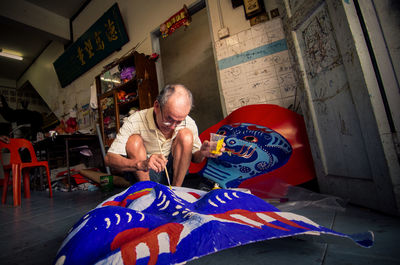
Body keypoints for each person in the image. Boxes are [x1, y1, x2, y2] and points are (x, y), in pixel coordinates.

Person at [105, 84, 223, 187]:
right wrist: (141, 164)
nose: (172, 126)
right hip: (145, 172)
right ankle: (147, 190)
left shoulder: (188, 122)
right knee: (133, 141)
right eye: (169, 119)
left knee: (186, 134)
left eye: (179, 121)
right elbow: (109, 159)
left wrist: (202, 153)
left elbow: (196, 159)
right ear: (157, 106)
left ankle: (177, 190)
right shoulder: (135, 120)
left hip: (174, 172)